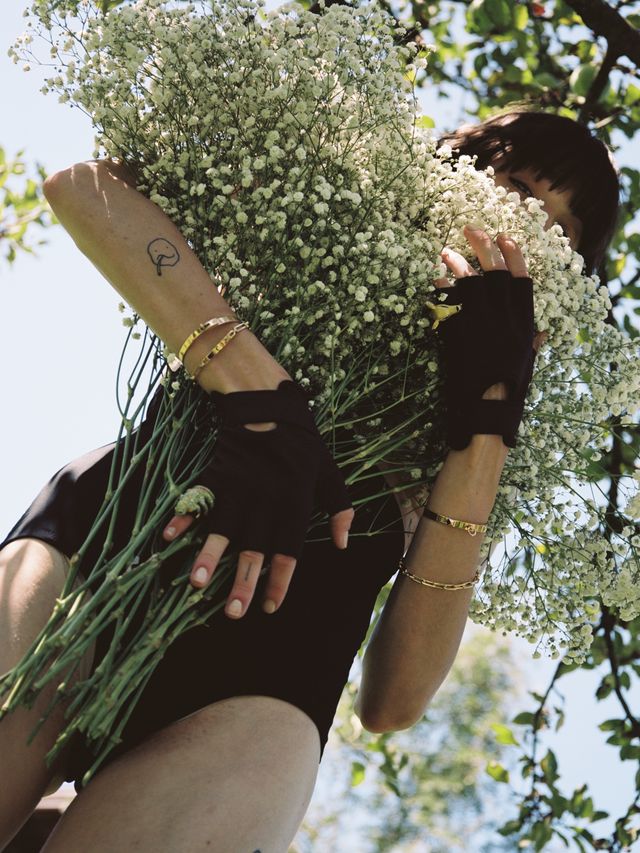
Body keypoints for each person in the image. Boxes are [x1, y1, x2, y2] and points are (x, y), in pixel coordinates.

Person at [0, 108, 619, 853]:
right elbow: (85, 186)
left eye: (560, 229)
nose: (528, 226)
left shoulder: (510, 421)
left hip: (267, 678)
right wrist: (259, 396)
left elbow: (393, 701)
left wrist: (489, 415)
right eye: (517, 186)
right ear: (453, 170)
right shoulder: (321, 204)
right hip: (104, 543)